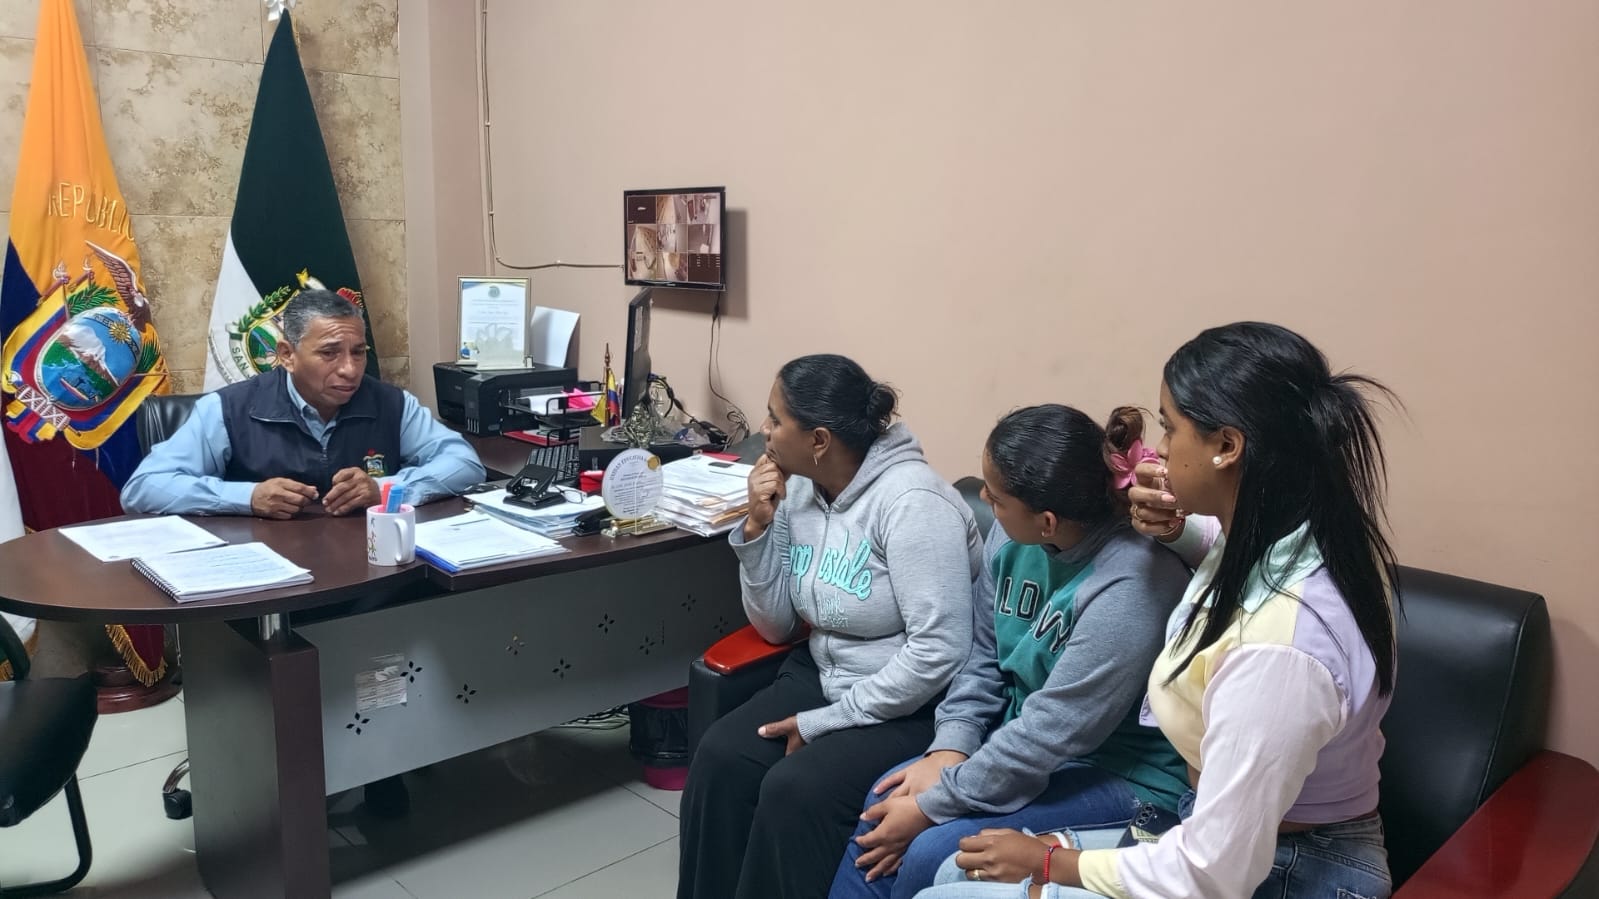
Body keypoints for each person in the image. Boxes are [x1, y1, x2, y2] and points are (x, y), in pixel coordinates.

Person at [924, 322, 1399, 899]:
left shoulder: (1279, 652)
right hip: (1225, 830)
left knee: (951, 889)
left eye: (1171, 427)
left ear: (1226, 447)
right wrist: (1176, 529)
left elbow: (1211, 872)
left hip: (1292, 867)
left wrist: (1051, 862)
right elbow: (1221, 555)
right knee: (956, 871)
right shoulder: (1298, 537)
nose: (1161, 450)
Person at [830, 405, 1190, 899]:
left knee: (934, 851)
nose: (983, 500)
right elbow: (983, 654)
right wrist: (951, 744)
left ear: (1047, 521)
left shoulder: (1132, 586)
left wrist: (936, 804)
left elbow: (1052, 730)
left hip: (1121, 773)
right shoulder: (1013, 536)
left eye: (995, 498)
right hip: (1027, 745)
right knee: (886, 800)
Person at [677, 354, 983, 899]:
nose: (764, 431)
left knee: (794, 790)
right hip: (822, 672)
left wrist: (827, 721)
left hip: (913, 701)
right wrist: (757, 526)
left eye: (775, 420)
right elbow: (776, 626)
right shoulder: (799, 489)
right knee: (721, 759)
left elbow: (941, 650)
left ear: (819, 440)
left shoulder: (914, 503)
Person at [123, 288, 485, 520]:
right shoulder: (229, 409)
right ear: (287, 355)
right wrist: (248, 497)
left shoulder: (390, 403)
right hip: (264, 583)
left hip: (367, 571)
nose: (350, 369)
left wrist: (386, 489)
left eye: (358, 352)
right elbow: (144, 487)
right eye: (330, 353)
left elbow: (464, 463)